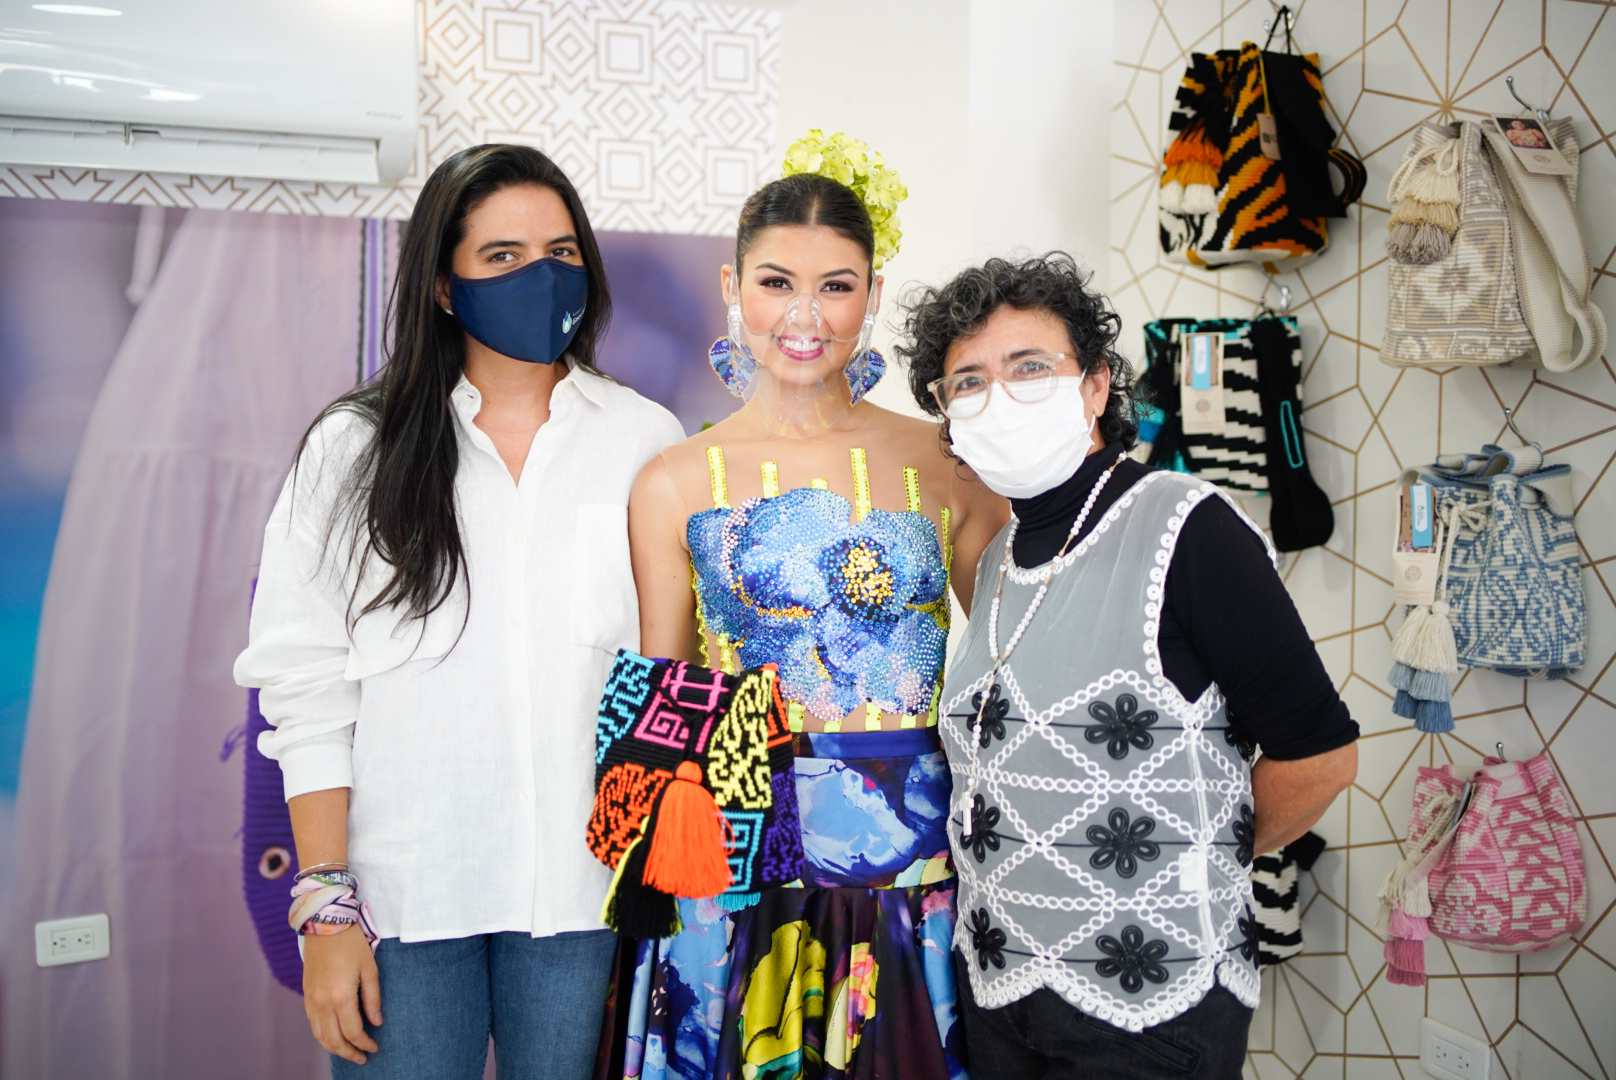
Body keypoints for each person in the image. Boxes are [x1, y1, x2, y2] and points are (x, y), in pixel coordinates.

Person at [235, 143, 685, 1079]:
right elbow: (305, 685)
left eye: (562, 252)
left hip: (580, 902)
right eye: (503, 257)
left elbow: (662, 673)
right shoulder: (352, 448)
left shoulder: (645, 439)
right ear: (445, 286)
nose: (541, 277)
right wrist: (326, 908)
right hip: (401, 906)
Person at [601, 136, 1007, 1080]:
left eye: (837, 286)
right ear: (732, 285)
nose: (805, 315)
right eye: (777, 282)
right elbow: (664, 699)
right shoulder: (670, 480)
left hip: (916, 854)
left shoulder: (943, 459)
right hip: (737, 859)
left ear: (871, 294)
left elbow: (1017, 655)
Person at [898, 253, 1359, 1079]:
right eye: (966, 381)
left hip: (1148, 1000)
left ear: (1097, 385)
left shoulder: (1184, 525)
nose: (997, 397)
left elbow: (1319, 754)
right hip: (1002, 983)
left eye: (1029, 367)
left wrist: (1202, 855)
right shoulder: (1000, 554)